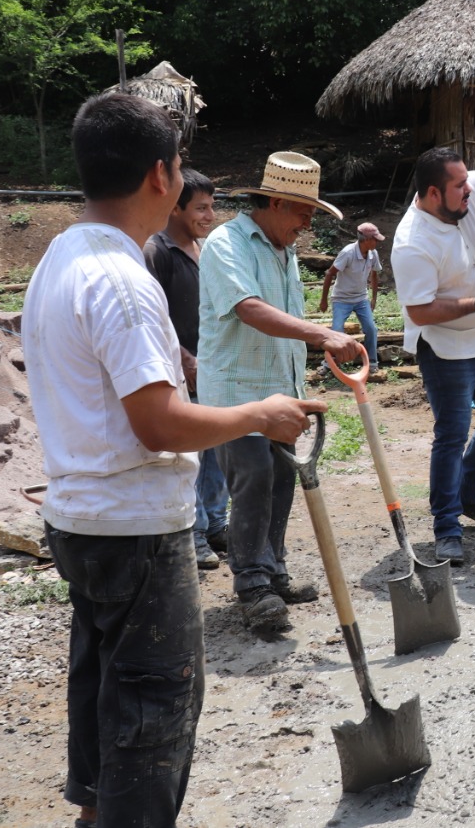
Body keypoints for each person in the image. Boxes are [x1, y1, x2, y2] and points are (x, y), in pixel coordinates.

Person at [22, 92, 324, 828]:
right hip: (135, 530)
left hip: (80, 518)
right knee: (154, 712)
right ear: (160, 175)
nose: (185, 181)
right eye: (182, 165)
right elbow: (158, 423)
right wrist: (258, 414)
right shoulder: (124, 282)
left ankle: (94, 814)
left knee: (102, 692)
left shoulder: (61, 256)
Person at [198, 151, 359, 633]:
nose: (307, 223)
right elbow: (248, 308)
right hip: (238, 394)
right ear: (273, 202)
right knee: (253, 480)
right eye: (302, 212)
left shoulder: (283, 252)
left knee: (282, 482)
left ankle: (274, 572)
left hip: (281, 392)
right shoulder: (226, 244)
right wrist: (322, 334)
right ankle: (253, 587)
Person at [392, 148, 475, 566]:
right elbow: (420, 311)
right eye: (459, 186)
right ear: (434, 193)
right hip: (446, 349)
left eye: (469, 181)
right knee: (451, 436)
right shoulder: (412, 242)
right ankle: (446, 529)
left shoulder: (461, 197)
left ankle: (468, 492)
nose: (470, 190)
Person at [143, 167, 230, 569]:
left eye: (212, 207)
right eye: (201, 208)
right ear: (175, 209)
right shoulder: (156, 252)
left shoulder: (206, 249)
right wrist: (184, 357)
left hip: (212, 366)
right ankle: (194, 532)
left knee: (216, 449)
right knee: (189, 454)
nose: (210, 216)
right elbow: (153, 317)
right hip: (181, 369)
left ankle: (216, 522)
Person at [318, 221, 385, 379]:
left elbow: (374, 274)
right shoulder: (348, 253)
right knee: (337, 330)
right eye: (375, 239)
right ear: (366, 239)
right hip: (341, 299)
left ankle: (372, 363)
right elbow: (330, 273)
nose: (377, 242)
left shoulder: (373, 254)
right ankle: (328, 364)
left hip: (361, 298)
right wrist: (323, 300)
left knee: (371, 329)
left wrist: (373, 298)